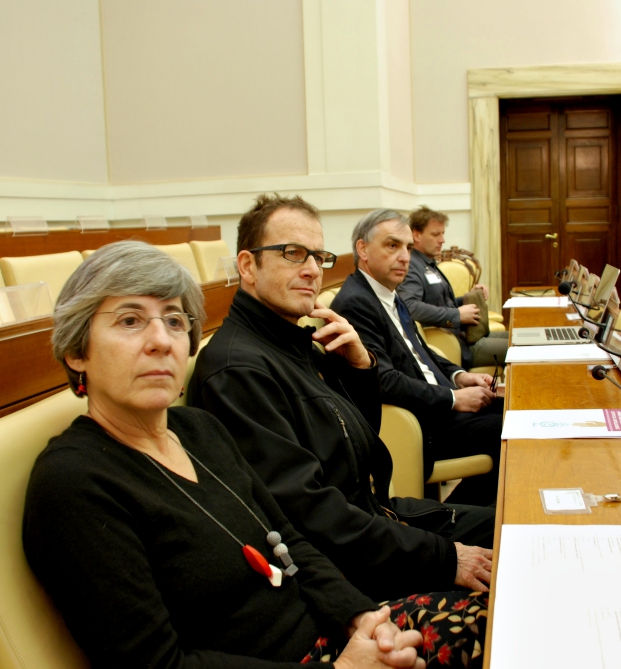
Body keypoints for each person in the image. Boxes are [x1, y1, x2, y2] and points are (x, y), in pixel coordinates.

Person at [23, 240, 486, 669]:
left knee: (516, 603)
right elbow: (156, 663)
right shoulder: (74, 483)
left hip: (332, 636)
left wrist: (360, 619)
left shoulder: (198, 429)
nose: (161, 340)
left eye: (174, 320)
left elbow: (288, 538)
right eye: (129, 321)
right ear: (76, 351)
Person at [188, 194, 494, 604]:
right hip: (348, 567)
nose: (313, 270)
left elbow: (358, 441)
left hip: (376, 521)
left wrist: (361, 367)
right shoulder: (238, 371)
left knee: (514, 526)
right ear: (248, 266)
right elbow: (310, 517)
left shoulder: (297, 341)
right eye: (294, 254)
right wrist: (443, 558)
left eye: (318, 256)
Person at [331, 210, 503, 507]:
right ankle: (457, 519)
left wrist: (460, 377)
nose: (404, 256)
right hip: (418, 422)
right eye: (392, 245)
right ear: (363, 249)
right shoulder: (356, 303)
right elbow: (382, 380)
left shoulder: (389, 294)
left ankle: (471, 515)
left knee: (514, 409)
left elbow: (422, 352)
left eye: (408, 247)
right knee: (506, 431)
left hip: (434, 405)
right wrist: (453, 398)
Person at [399, 206, 507, 369]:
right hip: (457, 346)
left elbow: (439, 301)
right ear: (416, 235)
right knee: (521, 350)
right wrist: (456, 314)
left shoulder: (427, 263)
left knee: (519, 339)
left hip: (464, 336)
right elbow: (410, 307)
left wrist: (466, 298)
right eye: (436, 234)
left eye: (442, 234)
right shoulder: (411, 266)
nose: (442, 240)